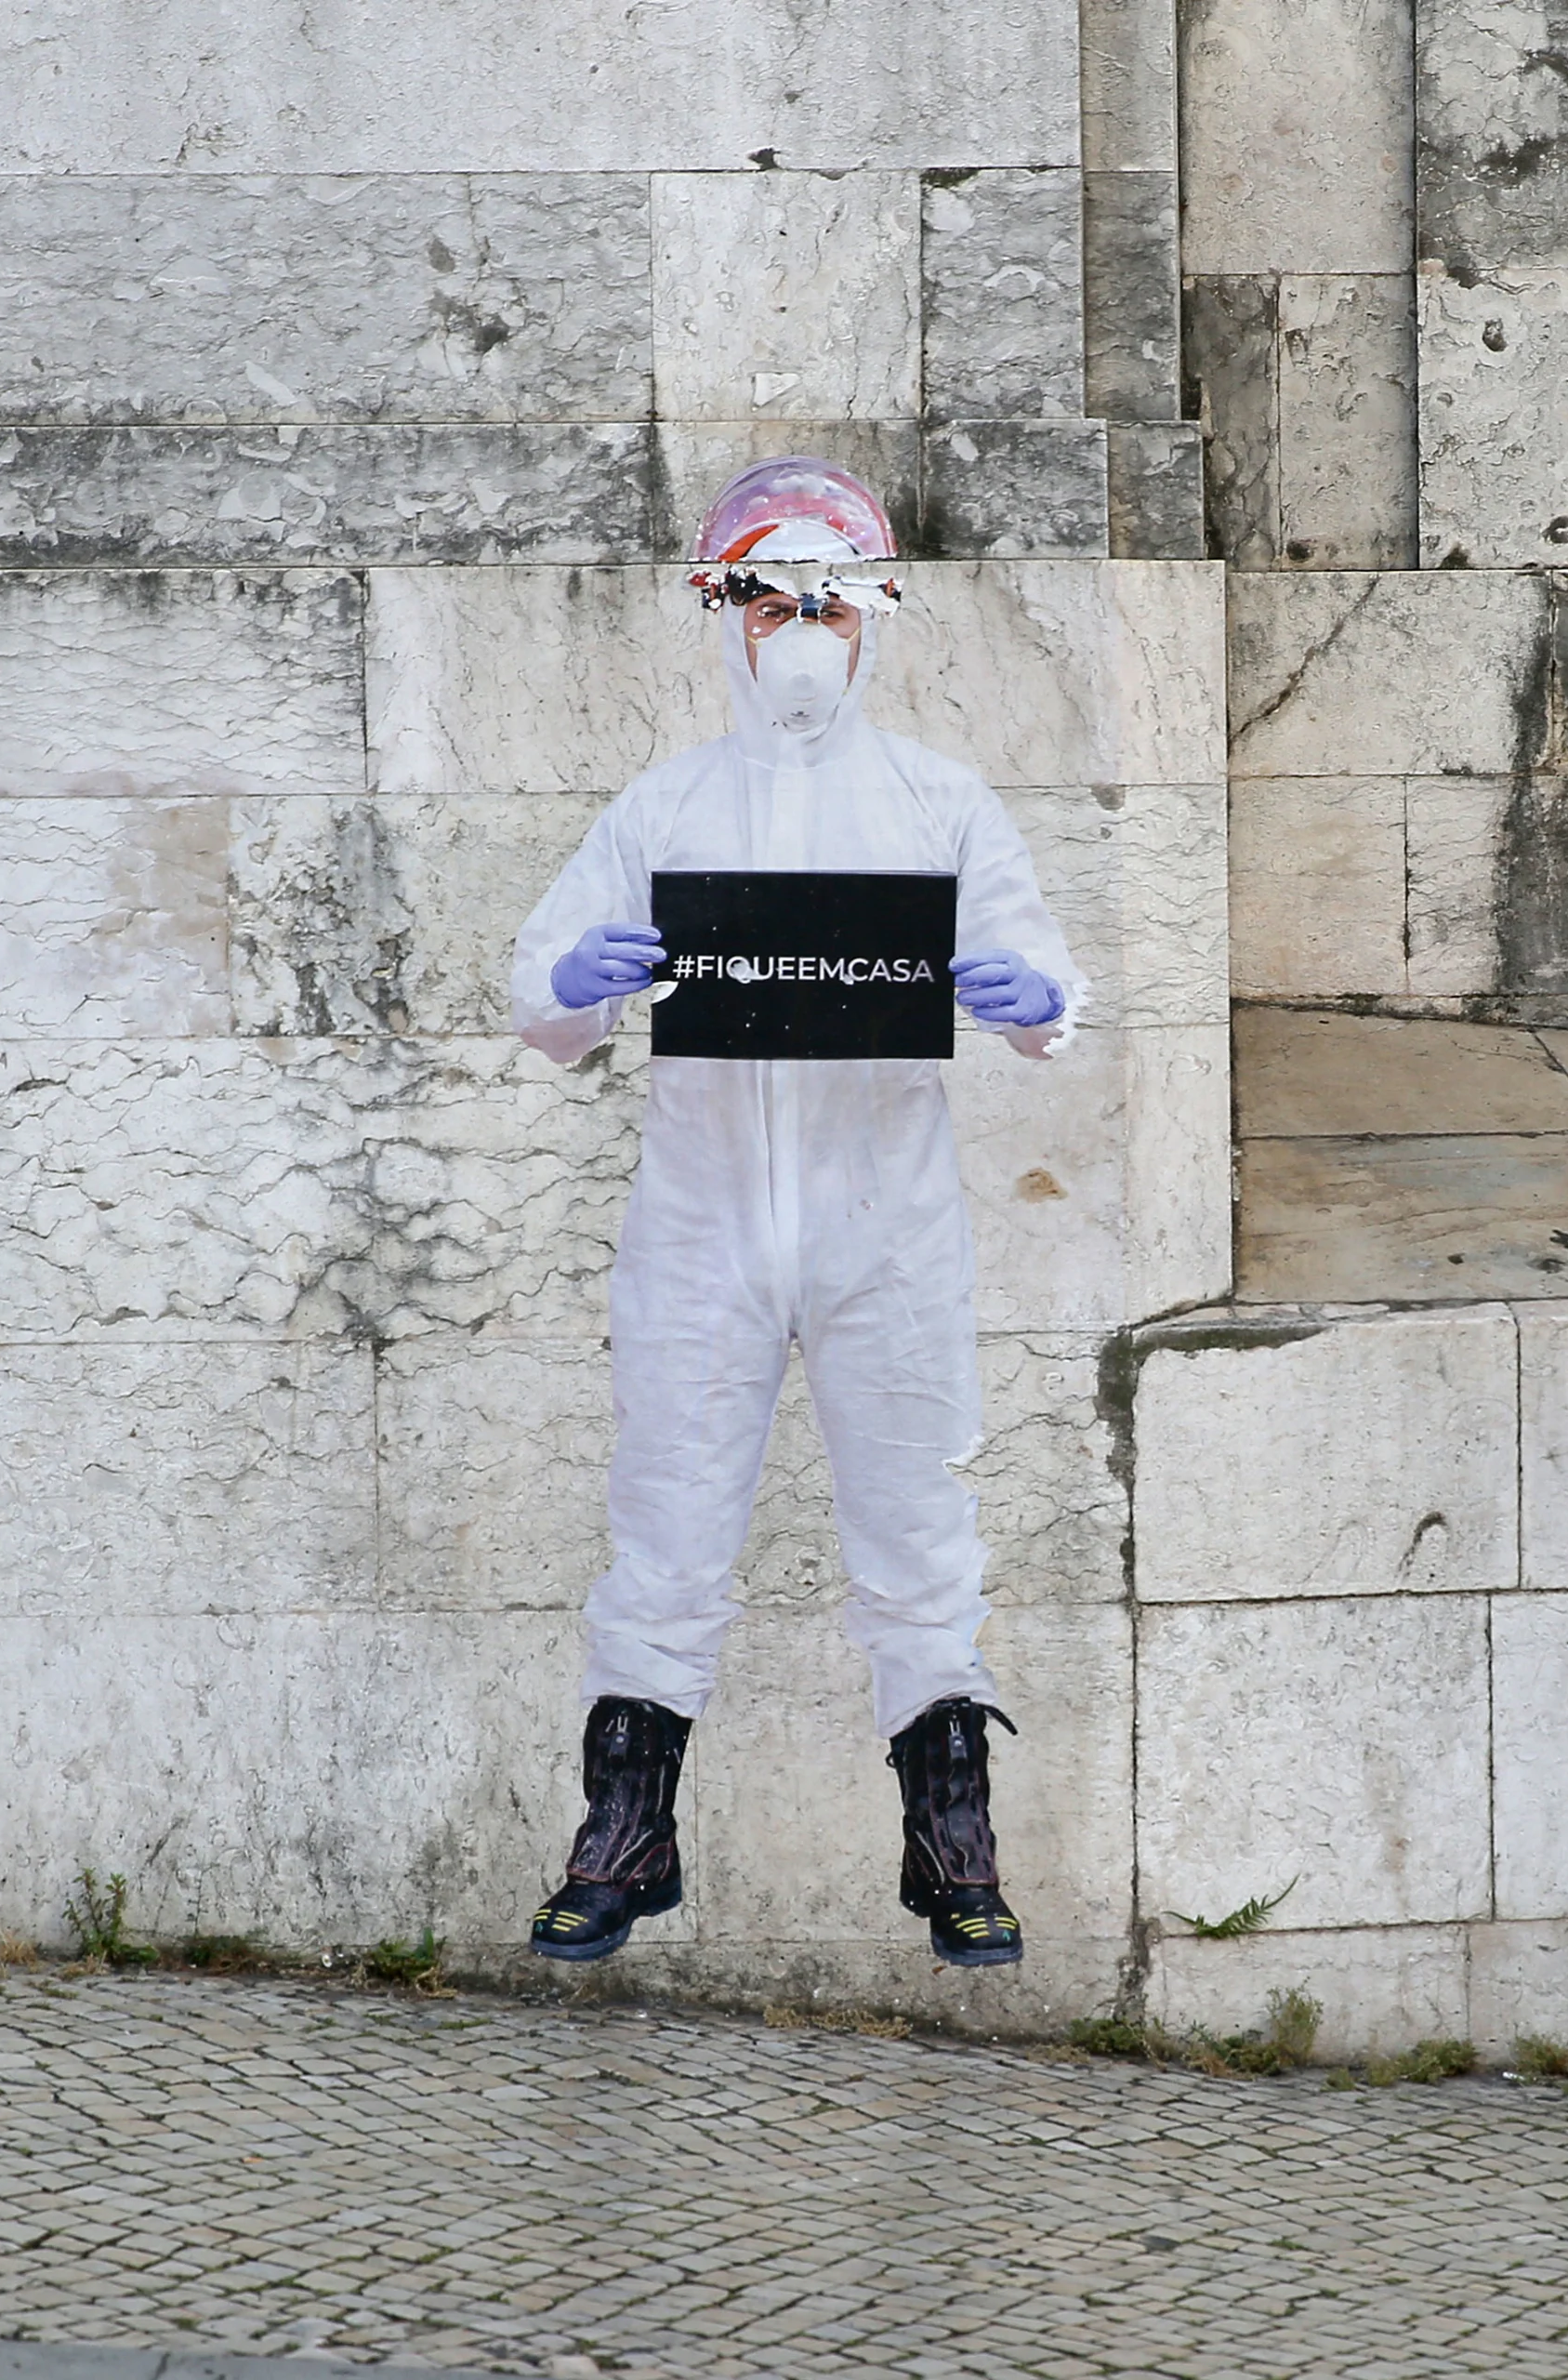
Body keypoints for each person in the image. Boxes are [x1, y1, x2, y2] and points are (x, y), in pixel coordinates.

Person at [507, 457, 1081, 1971]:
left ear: (872, 617)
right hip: (702, 1224)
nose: (801, 632)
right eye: (771, 603)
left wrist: (1032, 999)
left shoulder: (940, 801)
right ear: (729, 619)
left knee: (918, 1524)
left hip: (884, 1223)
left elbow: (1045, 982)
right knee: (667, 1520)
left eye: (826, 603)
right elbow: (540, 998)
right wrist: (573, 983)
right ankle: (626, 1836)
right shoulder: (666, 805)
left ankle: (952, 1845)